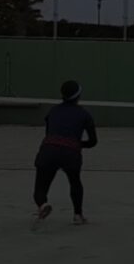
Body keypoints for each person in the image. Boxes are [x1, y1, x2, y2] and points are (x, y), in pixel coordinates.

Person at [32, 80, 97, 229]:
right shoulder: (84, 114)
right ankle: (78, 215)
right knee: (75, 181)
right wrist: (77, 144)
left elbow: (49, 133)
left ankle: (42, 205)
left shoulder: (53, 111)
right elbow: (93, 141)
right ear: (78, 96)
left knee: (40, 187)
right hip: (70, 153)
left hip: (48, 150)